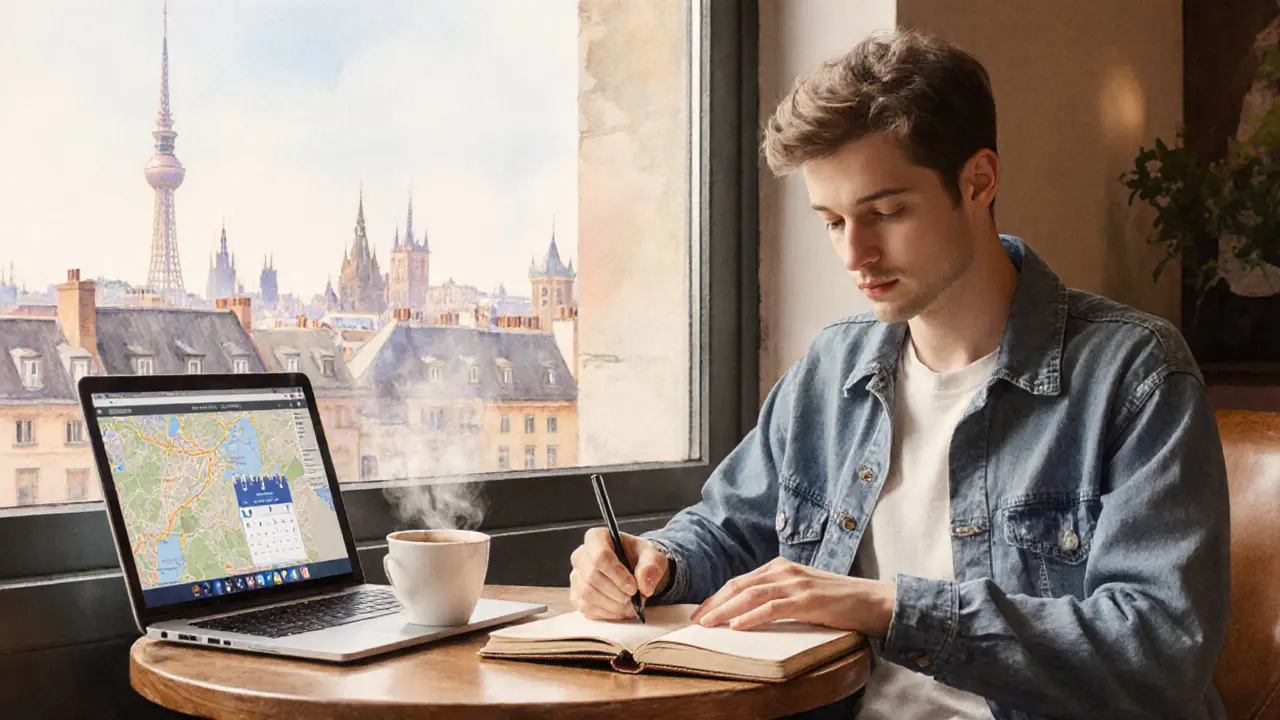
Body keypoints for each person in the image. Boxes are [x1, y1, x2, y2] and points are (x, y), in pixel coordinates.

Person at [567, 28, 1231, 720]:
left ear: (978, 182)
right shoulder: (832, 369)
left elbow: (1161, 649)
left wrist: (891, 608)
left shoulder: (1135, 375)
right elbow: (733, 528)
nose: (856, 253)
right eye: (832, 221)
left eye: (885, 212)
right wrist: (658, 562)